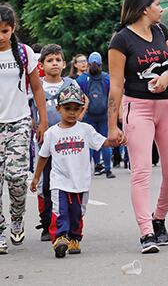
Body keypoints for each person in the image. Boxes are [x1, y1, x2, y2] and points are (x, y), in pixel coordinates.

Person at [108, 0, 168, 254]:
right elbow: (116, 87)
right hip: (138, 109)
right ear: (144, 8)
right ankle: (146, 232)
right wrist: (112, 125)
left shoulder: (162, 32)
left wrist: (166, 78)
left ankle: (159, 218)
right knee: (141, 171)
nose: (161, 8)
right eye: (157, 3)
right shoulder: (120, 41)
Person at [30, 83, 116, 258]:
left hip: (81, 182)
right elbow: (43, 156)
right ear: (58, 108)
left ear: (81, 110)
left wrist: (115, 140)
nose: (71, 112)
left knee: (77, 214)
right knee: (59, 211)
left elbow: (102, 142)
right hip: (59, 181)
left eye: (76, 109)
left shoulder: (86, 130)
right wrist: (36, 177)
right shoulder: (52, 133)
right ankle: (60, 238)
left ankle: (75, 238)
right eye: (67, 108)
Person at [0, 4, 47, 254]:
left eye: (5, 31)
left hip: (19, 122)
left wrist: (42, 121)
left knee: (17, 177)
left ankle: (16, 217)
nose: (0, 36)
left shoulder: (24, 52)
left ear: (12, 29)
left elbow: (37, 88)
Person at [34, 44, 86, 242]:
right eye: (49, 60)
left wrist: (78, 122)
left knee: (68, 183)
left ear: (64, 64)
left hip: (67, 146)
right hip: (45, 142)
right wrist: (35, 125)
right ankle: (47, 223)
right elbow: (30, 109)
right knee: (46, 184)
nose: (54, 63)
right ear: (42, 64)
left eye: (57, 60)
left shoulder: (71, 84)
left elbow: (84, 101)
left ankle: (71, 223)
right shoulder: (37, 85)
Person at [76, 52, 114, 179]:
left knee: (89, 142)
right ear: (101, 64)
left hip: (88, 115)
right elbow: (112, 96)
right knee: (104, 141)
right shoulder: (107, 78)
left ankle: (90, 168)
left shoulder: (82, 79)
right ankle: (108, 170)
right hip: (104, 114)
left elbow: (77, 97)